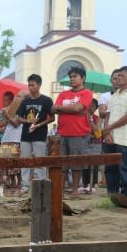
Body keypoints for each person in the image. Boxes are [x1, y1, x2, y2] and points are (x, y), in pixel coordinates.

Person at [102, 66, 127, 202]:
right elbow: (107, 115)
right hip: (110, 138)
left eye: (122, 76)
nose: (118, 78)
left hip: (124, 138)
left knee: (125, 168)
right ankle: (112, 196)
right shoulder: (115, 95)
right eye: (117, 76)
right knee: (110, 168)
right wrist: (107, 132)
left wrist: (110, 127)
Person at [52, 66, 93, 197]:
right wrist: (72, 108)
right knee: (62, 164)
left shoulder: (87, 93)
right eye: (70, 77)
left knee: (77, 163)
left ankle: (75, 189)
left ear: (83, 78)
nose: (72, 79)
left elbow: (78, 108)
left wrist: (62, 108)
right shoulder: (63, 94)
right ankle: (61, 190)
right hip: (62, 132)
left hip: (79, 133)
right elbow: (54, 109)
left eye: (75, 76)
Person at [16, 74, 54, 192]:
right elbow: (18, 117)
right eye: (29, 85)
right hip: (25, 135)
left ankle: (41, 185)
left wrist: (39, 124)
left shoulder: (46, 100)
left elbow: (52, 118)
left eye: (33, 85)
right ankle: (25, 186)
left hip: (40, 135)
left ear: (39, 85)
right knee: (25, 161)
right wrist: (27, 120)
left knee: (40, 161)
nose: (30, 87)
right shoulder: (25, 101)